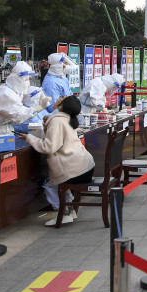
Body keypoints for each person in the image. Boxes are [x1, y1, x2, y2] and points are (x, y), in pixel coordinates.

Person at [18, 95, 96, 227]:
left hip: (74, 169)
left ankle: (64, 213)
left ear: (62, 106)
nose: (58, 99)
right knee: (59, 183)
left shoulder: (57, 120)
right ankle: (70, 212)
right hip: (86, 166)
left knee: (50, 185)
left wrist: (30, 138)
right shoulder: (69, 119)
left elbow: (49, 147)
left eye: (61, 99)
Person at [0, 61, 50, 149]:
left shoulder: (13, 92)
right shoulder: (6, 93)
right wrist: (40, 107)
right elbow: (19, 116)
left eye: (29, 79)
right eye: (26, 79)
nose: (28, 82)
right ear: (17, 79)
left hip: (3, 130)